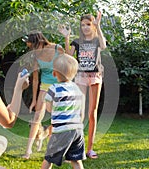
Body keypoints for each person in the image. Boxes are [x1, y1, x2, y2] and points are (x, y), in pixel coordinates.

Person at [58, 11, 107, 159]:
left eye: (88, 24)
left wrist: (98, 26)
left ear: (93, 25)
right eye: (83, 25)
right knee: (78, 113)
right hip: (81, 76)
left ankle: (90, 148)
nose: (85, 27)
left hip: (95, 77)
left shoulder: (97, 39)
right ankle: (76, 148)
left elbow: (104, 46)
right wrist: (67, 37)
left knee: (92, 112)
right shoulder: (77, 42)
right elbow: (68, 55)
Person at [22, 31, 65, 159]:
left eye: (33, 47)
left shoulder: (57, 48)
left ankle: (56, 148)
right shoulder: (36, 57)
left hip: (59, 86)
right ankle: (28, 150)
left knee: (57, 118)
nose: (32, 50)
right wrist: (34, 100)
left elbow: (69, 64)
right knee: (37, 118)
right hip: (44, 86)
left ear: (40, 42)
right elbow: (35, 80)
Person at [41, 54, 86, 169]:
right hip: (77, 130)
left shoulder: (53, 88)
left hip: (62, 130)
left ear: (54, 73)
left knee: (48, 159)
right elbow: (80, 110)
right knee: (76, 160)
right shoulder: (77, 88)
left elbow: (49, 108)